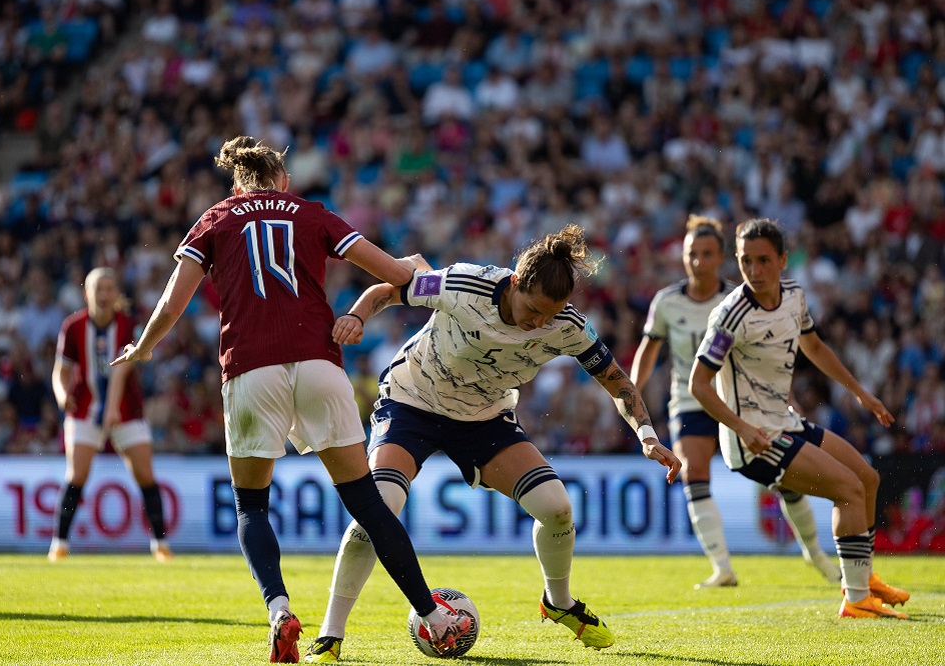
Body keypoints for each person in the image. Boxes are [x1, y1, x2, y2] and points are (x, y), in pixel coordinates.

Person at [111, 136, 471, 663]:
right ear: (284, 180)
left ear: (237, 184)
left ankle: (280, 611)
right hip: (318, 363)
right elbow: (396, 275)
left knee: (252, 505)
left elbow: (172, 302)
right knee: (366, 502)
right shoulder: (310, 213)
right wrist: (412, 265)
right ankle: (435, 617)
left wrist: (143, 348)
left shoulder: (214, 219)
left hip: (251, 369)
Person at [303, 224, 681, 662]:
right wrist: (357, 315)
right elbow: (390, 288)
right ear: (516, 282)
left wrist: (648, 437)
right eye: (534, 310)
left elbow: (617, 383)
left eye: (550, 315)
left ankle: (558, 602)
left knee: (556, 507)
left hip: (484, 418)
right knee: (379, 505)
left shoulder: (567, 325)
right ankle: (331, 636)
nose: (539, 323)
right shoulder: (464, 284)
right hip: (413, 401)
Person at [689, 218, 910, 619]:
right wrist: (741, 428)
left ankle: (861, 576)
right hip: (751, 439)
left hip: (784, 422)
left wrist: (860, 392)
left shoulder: (794, 297)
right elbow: (698, 385)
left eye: (763, 261)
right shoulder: (730, 315)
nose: (754, 271)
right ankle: (857, 599)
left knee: (868, 479)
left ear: (783, 261)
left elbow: (814, 346)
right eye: (745, 262)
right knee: (848, 490)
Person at [631, 215, 841, 589]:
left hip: (742, 401)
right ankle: (722, 567)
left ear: (721, 257)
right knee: (694, 473)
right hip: (690, 399)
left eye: (707, 254)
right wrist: (632, 397)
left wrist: (785, 400)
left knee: (783, 479)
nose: (698, 262)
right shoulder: (666, 302)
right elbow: (648, 352)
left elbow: (769, 358)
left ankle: (814, 553)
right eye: (691, 254)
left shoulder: (738, 301)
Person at [49, 267, 172, 563]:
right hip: (83, 410)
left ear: (116, 294)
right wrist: (63, 396)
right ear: (86, 294)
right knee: (77, 474)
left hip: (126, 409)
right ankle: (59, 543)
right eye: (98, 289)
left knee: (144, 474)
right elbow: (60, 372)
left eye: (109, 289)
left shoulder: (128, 325)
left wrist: (113, 408)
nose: (104, 295)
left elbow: (121, 371)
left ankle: (160, 545)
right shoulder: (72, 326)